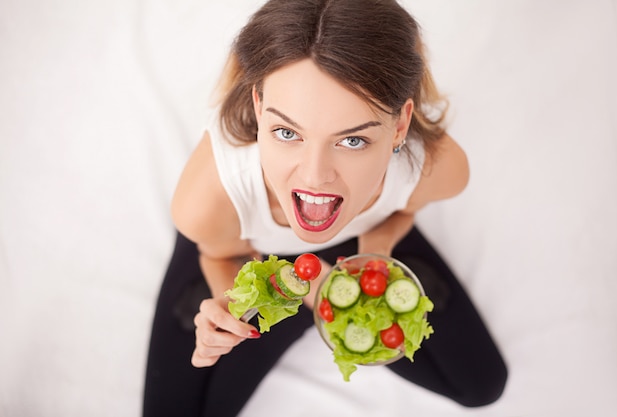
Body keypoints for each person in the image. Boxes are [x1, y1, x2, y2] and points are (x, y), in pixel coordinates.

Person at [143, 0, 507, 416]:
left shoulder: (438, 171)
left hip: (357, 244)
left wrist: (376, 251)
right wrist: (238, 300)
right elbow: (219, 252)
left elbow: (404, 209)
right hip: (247, 248)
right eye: (286, 131)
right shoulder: (207, 200)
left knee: (481, 385)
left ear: (400, 126)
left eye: (352, 140)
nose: (314, 178)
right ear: (259, 107)